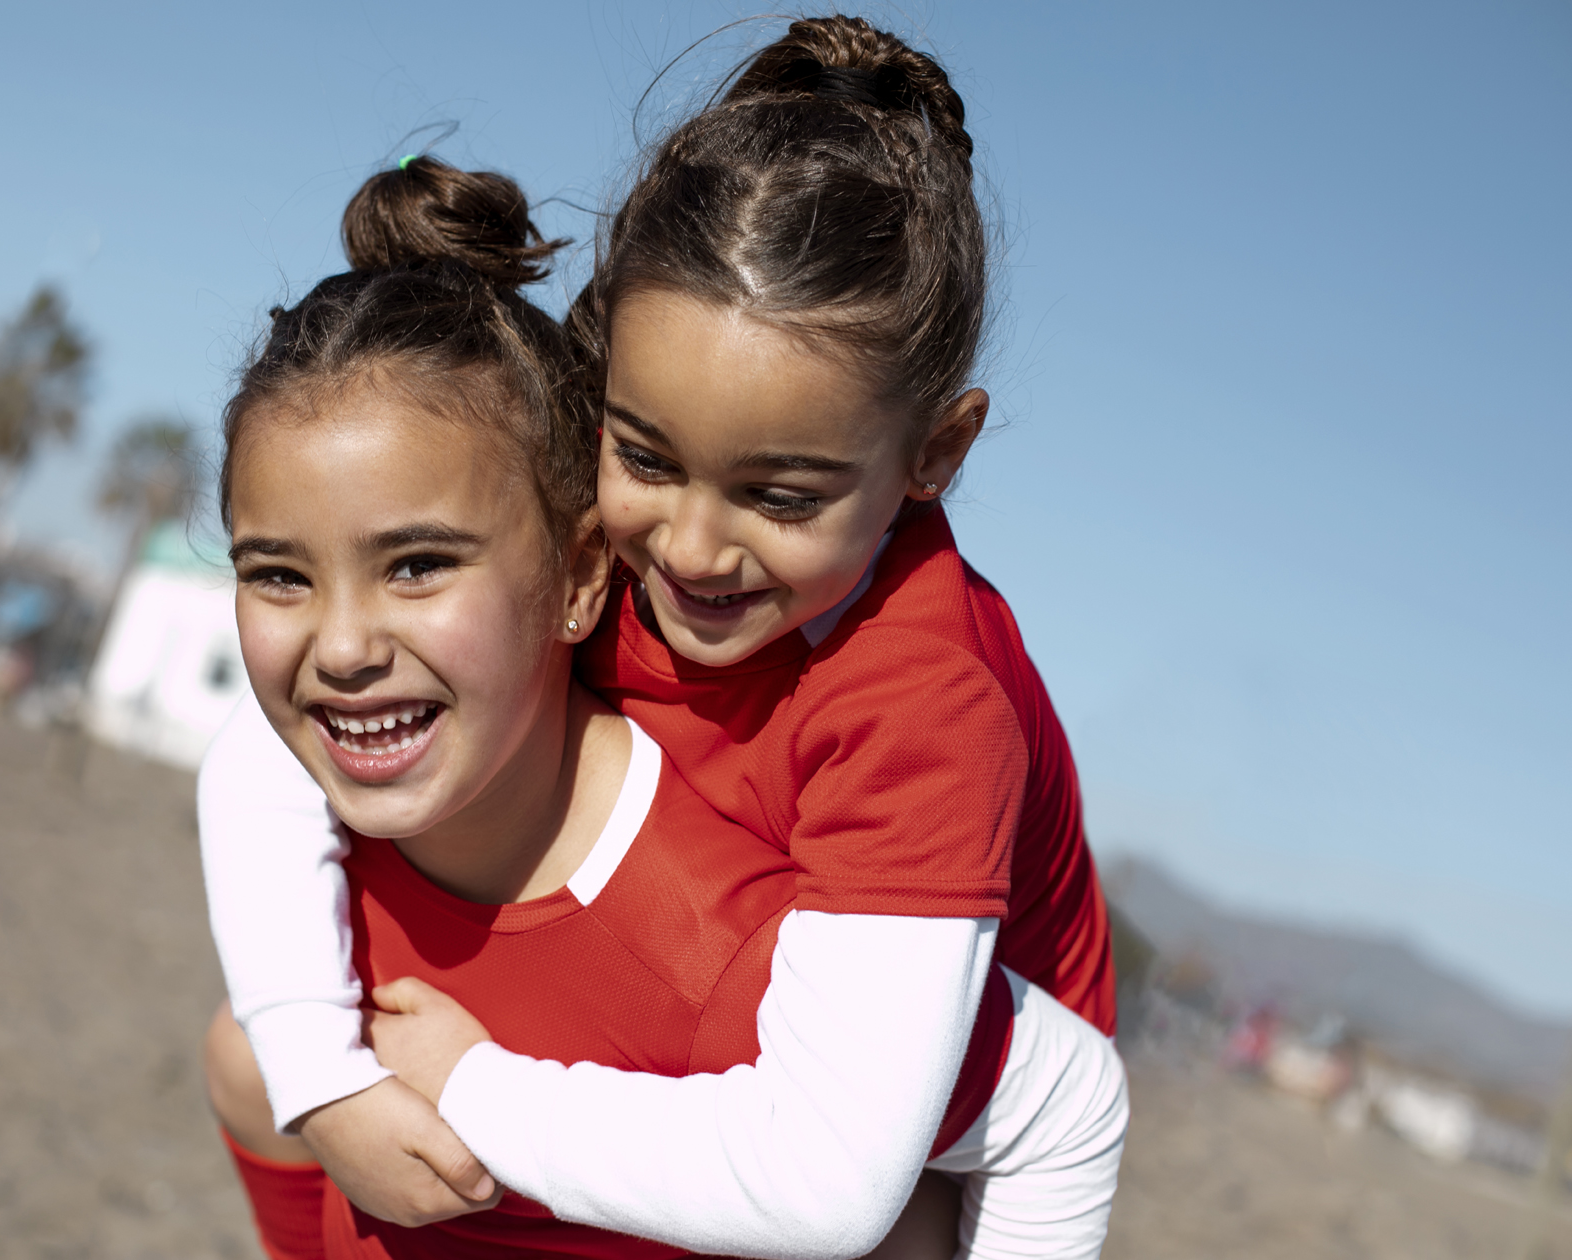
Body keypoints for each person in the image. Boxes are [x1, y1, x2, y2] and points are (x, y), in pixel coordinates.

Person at [204, 16, 1127, 1259]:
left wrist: (484, 1089)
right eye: (646, 458)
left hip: (939, 1086)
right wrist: (321, 1077)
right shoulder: (601, 543)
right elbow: (288, 728)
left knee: (896, 1223)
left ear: (937, 455)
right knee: (247, 1049)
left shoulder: (918, 703)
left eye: (783, 496)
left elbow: (977, 1136)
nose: (690, 547)